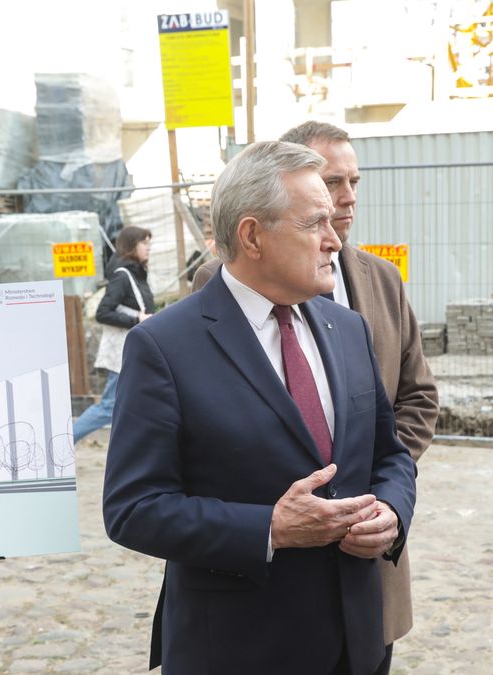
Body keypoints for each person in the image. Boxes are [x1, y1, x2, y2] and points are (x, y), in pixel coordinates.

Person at [103, 140, 416, 675]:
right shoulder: (164, 345)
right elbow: (133, 507)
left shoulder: (347, 328)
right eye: (314, 223)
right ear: (252, 235)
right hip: (239, 646)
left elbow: (390, 455)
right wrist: (268, 527)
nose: (334, 241)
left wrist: (390, 512)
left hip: (358, 639)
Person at [193, 120, 439, 663]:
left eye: (354, 182)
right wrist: (271, 524)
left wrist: (376, 490)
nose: (347, 200)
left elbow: (414, 401)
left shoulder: (376, 285)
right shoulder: (209, 301)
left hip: (365, 571)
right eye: (329, 186)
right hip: (254, 606)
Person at [72, 226, 154, 443]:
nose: (149, 248)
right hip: (123, 353)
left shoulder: (136, 274)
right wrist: (136, 320)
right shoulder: (123, 275)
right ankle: (63, 442)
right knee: (108, 407)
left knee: (141, 404)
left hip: (134, 351)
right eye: (144, 243)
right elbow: (102, 313)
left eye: (149, 243)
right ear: (131, 246)